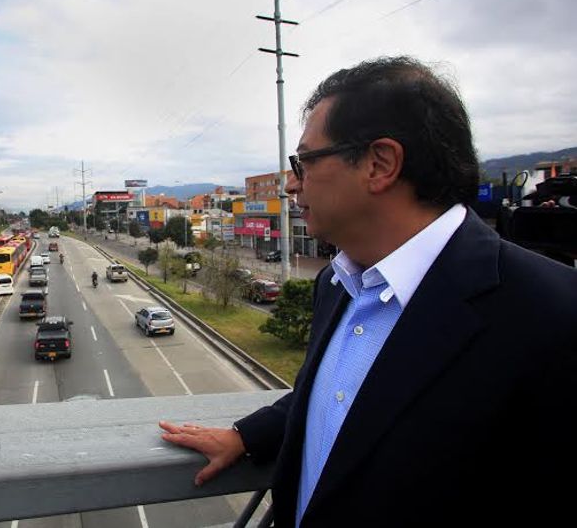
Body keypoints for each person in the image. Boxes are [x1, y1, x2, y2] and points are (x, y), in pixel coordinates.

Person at [159, 56, 577, 527]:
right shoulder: (335, 283)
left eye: (305, 161)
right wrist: (246, 436)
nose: (293, 184)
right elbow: (339, 397)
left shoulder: (552, 314)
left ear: (380, 164)